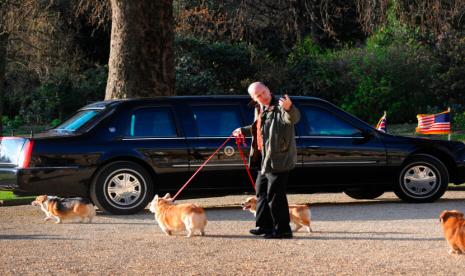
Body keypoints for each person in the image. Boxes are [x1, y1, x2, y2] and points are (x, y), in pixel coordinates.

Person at [233, 82, 300, 239]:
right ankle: (264, 226)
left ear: (268, 90)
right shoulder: (259, 108)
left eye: (263, 92)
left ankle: (283, 230)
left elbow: (292, 119)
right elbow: (259, 127)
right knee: (261, 191)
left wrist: (290, 107)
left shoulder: (281, 105)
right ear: (254, 98)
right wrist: (241, 130)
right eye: (258, 95)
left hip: (279, 158)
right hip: (263, 158)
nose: (262, 97)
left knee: (275, 195)